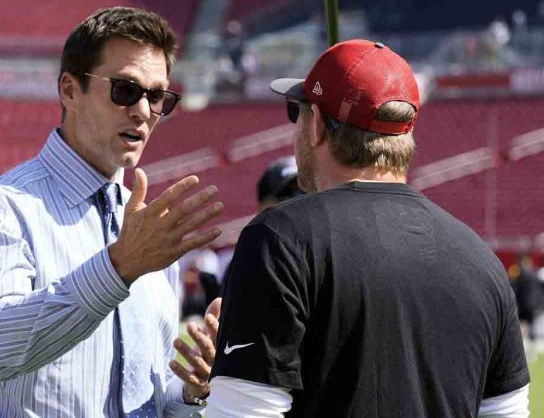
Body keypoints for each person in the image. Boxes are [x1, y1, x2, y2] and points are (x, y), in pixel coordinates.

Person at [208, 39, 530, 417]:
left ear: (316, 126)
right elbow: (507, 412)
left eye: (297, 112)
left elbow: (242, 414)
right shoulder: (481, 260)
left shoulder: (280, 238)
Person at [0, 7, 223, 417]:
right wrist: (117, 269)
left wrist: (191, 391)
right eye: (125, 90)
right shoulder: (2, 207)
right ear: (69, 90)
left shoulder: (148, 232)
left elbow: (149, 396)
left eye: (157, 96)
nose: (143, 111)